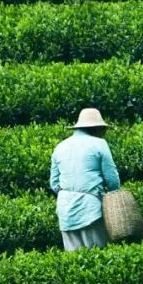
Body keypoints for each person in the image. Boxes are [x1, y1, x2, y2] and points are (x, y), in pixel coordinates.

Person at [49, 107, 121, 251]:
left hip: (65, 211)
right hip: (91, 210)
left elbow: (54, 183)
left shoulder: (60, 147)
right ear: (96, 128)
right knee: (98, 256)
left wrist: (71, 193)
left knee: (75, 261)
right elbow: (113, 181)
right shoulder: (99, 144)